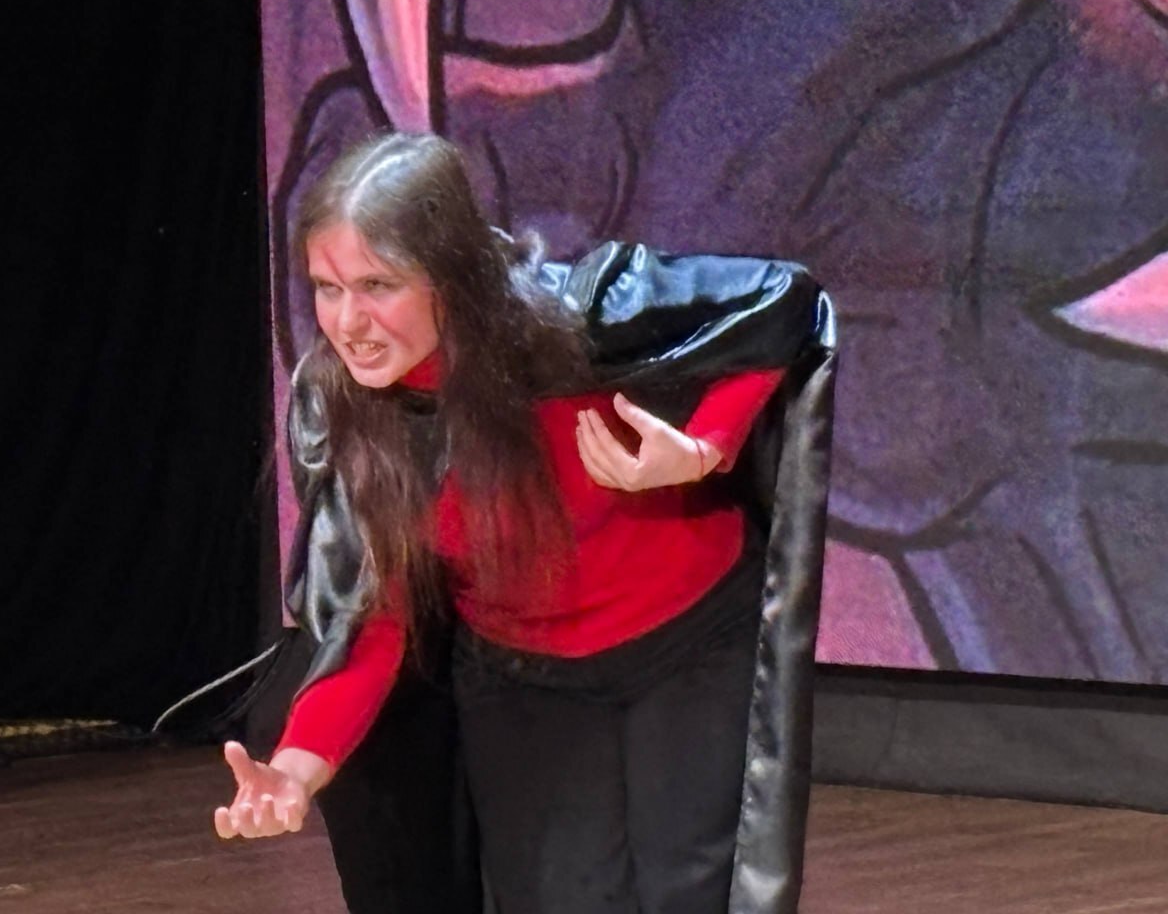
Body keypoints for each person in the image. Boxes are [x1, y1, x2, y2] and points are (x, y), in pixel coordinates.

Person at [214, 132, 836, 914]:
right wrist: (294, 770)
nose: (349, 322)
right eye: (327, 288)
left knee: (690, 893)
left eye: (378, 285)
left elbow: (778, 308)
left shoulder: (573, 322)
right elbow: (372, 622)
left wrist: (703, 449)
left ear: (449, 274)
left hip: (690, 645)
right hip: (522, 679)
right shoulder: (348, 409)